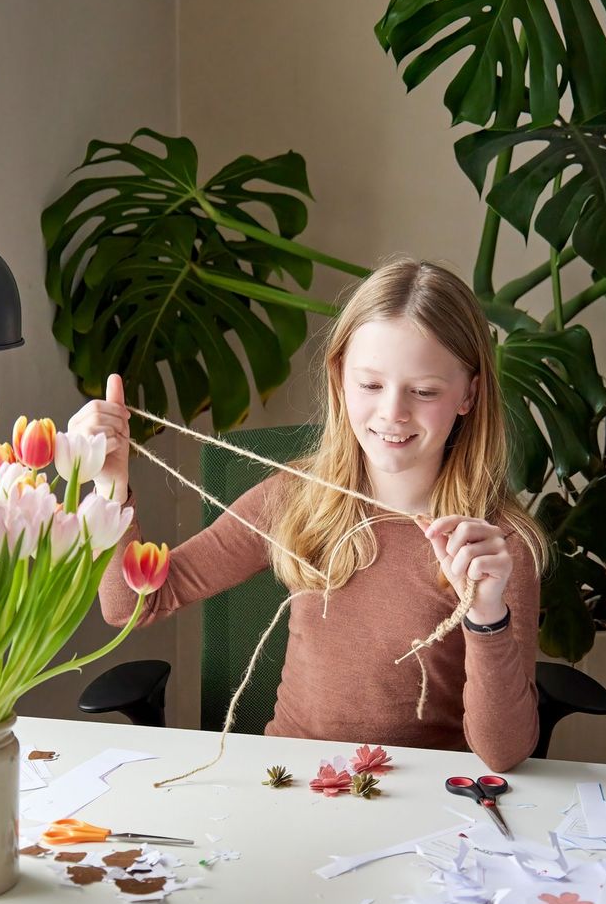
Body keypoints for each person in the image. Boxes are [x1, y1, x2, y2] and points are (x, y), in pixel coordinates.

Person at [70, 259, 548, 771]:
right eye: (370, 385)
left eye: (424, 391)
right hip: (296, 781)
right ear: (340, 377)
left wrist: (486, 613)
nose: (393, 413)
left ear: (469, 394)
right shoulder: (295, 499)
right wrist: (109, 487)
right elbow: (133, 605)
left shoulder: (495, 547)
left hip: (426, 805)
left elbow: (503, 753)